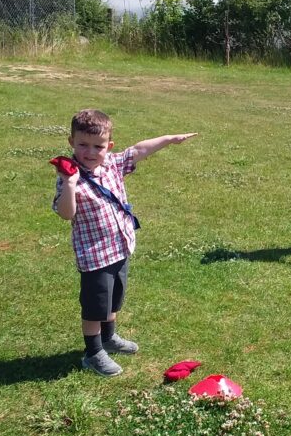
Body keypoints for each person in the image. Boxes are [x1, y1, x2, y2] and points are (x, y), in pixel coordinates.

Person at [53, 108, 196, 376]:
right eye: (83, 145)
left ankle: (109, 338)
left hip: (120, 248)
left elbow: (139, 150)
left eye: (99, 146)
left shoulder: (111, 165)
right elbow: (65, 213)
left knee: (113, 300)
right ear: (71, 142)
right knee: (95, 308)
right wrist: (70, 185)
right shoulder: (69, 177)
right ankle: (93, 352)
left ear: (109, 146)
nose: (91, 152)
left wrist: (169, 138)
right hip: (95, 257)